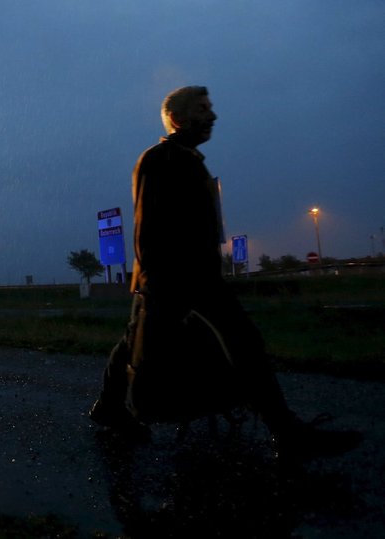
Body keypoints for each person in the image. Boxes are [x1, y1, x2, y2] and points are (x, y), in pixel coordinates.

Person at [87, 86, 360, 459]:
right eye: (202, 109)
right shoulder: (161, 159)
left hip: (186, 278)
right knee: (243, 344)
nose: (212, 116)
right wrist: (157, 282)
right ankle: (286, 432)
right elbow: (147, 228)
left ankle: (109, 407)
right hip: (180, 280)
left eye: (211, 108)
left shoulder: (185, 159)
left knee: (134, 340)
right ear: (179, 118)